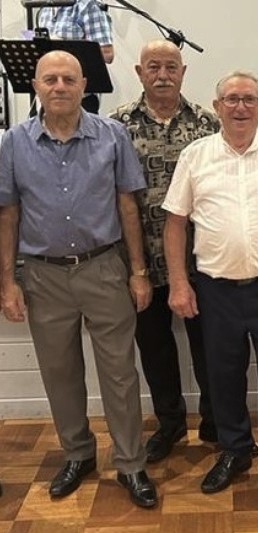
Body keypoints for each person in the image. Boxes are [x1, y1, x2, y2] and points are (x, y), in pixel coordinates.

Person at [0, 51, 157, 508]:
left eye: (69, 79)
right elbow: (8, 214)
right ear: (35, 85)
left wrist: (139, 272)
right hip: (43, 275)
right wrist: (7, 282)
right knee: (60, 371)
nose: (59, 86)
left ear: (84, 84)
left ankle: (130, 462)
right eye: (50, 79)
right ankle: (78, 454)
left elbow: (128, 206)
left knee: (120, 372)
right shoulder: (13, 142)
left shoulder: (112, 135)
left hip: (103, 267)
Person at [162, 70, 258, 514]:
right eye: (231, 99)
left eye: (249, 99)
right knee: (223, 377)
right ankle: (234, 450)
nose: (240, 107)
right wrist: (179, 282)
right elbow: (175, 223)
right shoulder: (196, 156)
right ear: (217, 107)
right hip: (216, 291)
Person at [109, 40, 258, 464]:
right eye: (153, 67)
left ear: (183, 72)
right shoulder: (116, 127)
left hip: (203, 263)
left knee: (212, 350)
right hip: (141, 260)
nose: (162, 75)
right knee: (155, 350)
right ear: (139, 72)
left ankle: (216, 422)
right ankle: (170, 423)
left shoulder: (209, 123)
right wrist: (135, 268)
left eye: (171, 67)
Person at [37, 0, 114, 113]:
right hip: (49, 96)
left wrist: (64, 51)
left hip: (80, 97)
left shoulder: (88, 6)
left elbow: (107, 53)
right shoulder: (44, 9)